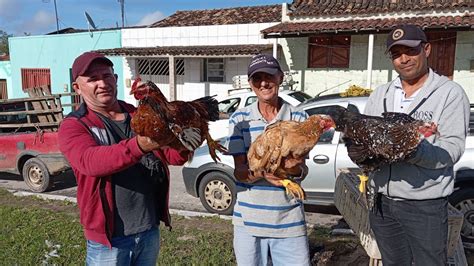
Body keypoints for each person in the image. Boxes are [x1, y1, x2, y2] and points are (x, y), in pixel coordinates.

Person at [58, 52, 190, 265]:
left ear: (116, 79)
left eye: (107, 76)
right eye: (92, 79)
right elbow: (91, 162)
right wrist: (140, 145)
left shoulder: (139, 115)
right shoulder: (74, 125)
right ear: (77, 88)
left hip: (148, 230)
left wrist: (187, 144)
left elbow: (171, 155)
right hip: (109, 241)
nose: (102, 83)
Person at [363, 24, 470, 265]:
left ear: (427, 49)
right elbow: (369, 138)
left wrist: (413, 150)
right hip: (382, 203)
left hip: (425, 207)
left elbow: (452, 149)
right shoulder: (380, 94)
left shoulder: (449, 94)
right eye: (396, 54)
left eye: (410, 51)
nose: (403, 59)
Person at [226, 54, 310, 265]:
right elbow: (239, 172)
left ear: (280, 78)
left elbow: (302, 171)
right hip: (248, 222)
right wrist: (264, 173)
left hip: (289, 221)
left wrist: (291, 170)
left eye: (269, 76)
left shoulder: (299, 119)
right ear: (251, 84)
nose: (264, 83)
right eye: (257, 78)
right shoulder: (240, 119)